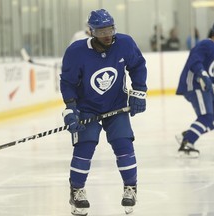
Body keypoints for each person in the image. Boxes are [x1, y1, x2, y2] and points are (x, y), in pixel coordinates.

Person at [60, 9, 148, 215]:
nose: (107, 35)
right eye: (101, 31)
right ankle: (77, 191)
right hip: (87, 109)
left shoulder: (125, 43)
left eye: (110, 29)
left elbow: (137, 66)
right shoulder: (76, 51)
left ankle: (130, 188)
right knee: (85, 146)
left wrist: (139, 92)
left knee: (123, 143)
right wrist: (71, 109)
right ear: (91, 32)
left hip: (116, 106)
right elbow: (68, 83)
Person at [175, 23, 214, 158]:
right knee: (206, 117)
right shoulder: (207, 44)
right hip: (195, 85)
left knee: (212, 119)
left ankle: (188, 135)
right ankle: (187, 143)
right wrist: (203, 75)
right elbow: (194, 61)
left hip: (205, 88)